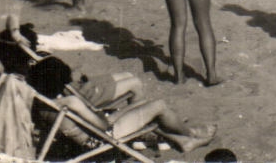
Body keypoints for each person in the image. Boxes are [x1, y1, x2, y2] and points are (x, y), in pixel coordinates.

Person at [26, 57, 215, 158]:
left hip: (89, 132)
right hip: (102, 137)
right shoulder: (71, 103)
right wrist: (100, 114)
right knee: (159, 106)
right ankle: (189, 135)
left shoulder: (43, 103)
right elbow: (101, 126)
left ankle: (178, 138)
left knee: (142, 104)